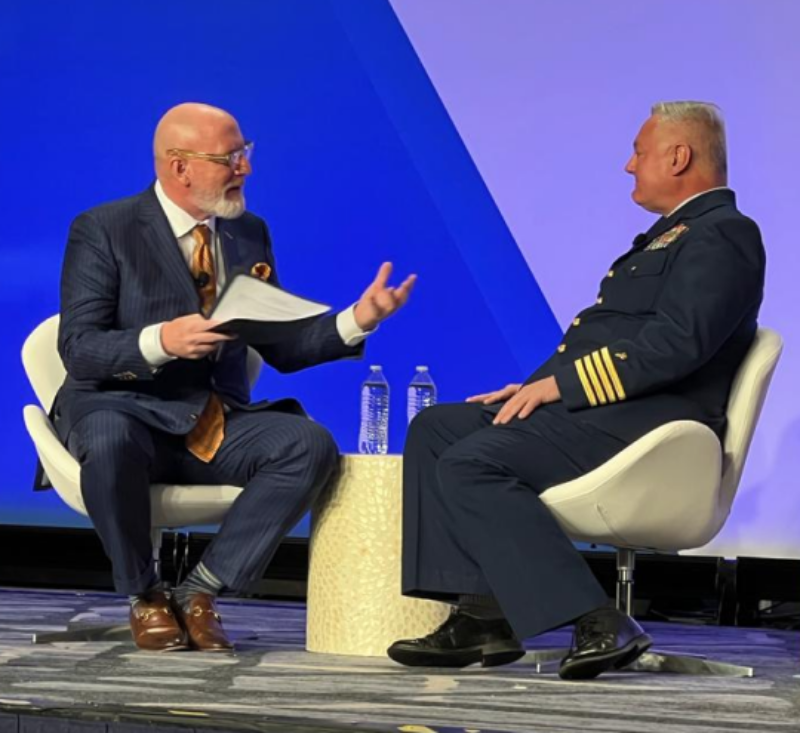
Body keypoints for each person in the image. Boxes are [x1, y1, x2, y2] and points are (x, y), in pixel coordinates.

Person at [388, 101, 765, 680]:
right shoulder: (669, 237)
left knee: (474, 463)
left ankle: (597, 618)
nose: (628, 165)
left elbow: (677, 346)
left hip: (651, 426)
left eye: (639, 152)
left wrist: (561, 387)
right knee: (438, 429)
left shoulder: (724, 234)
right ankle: (482, 615)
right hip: (606, 413)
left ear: (679, 155)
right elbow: (602, 340)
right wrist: (536, 386)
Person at [52, 102, 415, 652]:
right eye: (231, 158)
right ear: (179, 167)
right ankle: (145, 596)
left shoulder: (247, 232)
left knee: (306, 444)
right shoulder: (104, 229)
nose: (245, 168)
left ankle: (202, 592)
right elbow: (79, 350)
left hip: (211, 418)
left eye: (245, 153)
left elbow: (281, 344)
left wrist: (356, 320)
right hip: (121, 405)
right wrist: (160, 341)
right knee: (108, 437)